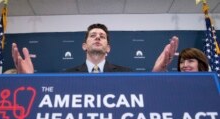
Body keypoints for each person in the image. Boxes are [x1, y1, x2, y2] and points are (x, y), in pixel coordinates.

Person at [12, 23, 179, 73]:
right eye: (93, 35)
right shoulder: (67, 76)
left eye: (102, 36)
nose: (98, 37)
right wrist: (27, 79)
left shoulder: (126, 73)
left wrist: (158, 72)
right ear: (84, 46)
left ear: (108, 48)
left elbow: (145, 96)